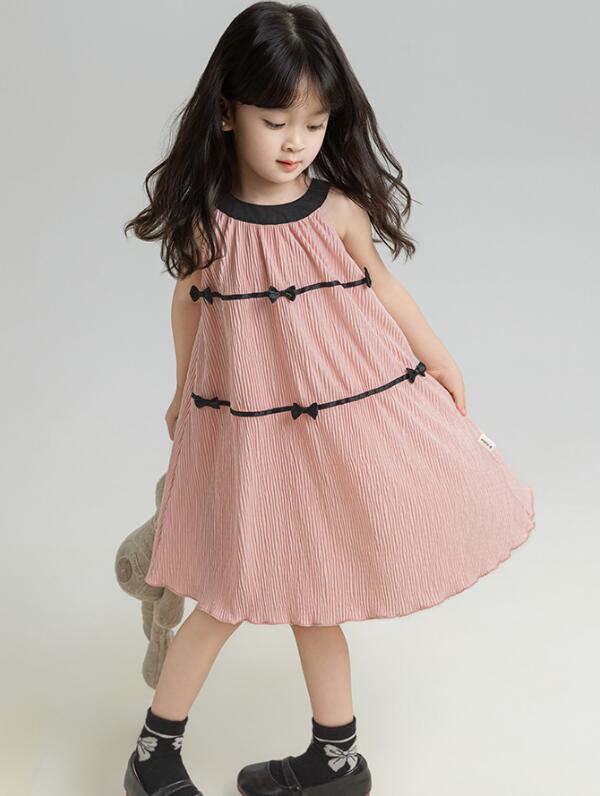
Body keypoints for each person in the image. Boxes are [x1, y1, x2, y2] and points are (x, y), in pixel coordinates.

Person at [121, 3, 536, 795]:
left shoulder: (336, 211)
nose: (295, 142)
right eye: (275, 121)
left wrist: (438, 356)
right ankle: (154, 754)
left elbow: (383, 287)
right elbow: (189, 302)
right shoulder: (213, 225)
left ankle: (336, 760)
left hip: (334, 423)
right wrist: (182, 391)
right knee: (226, 594)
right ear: (227, 113)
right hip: (248, 432)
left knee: (317, 595)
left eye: (314, 125)